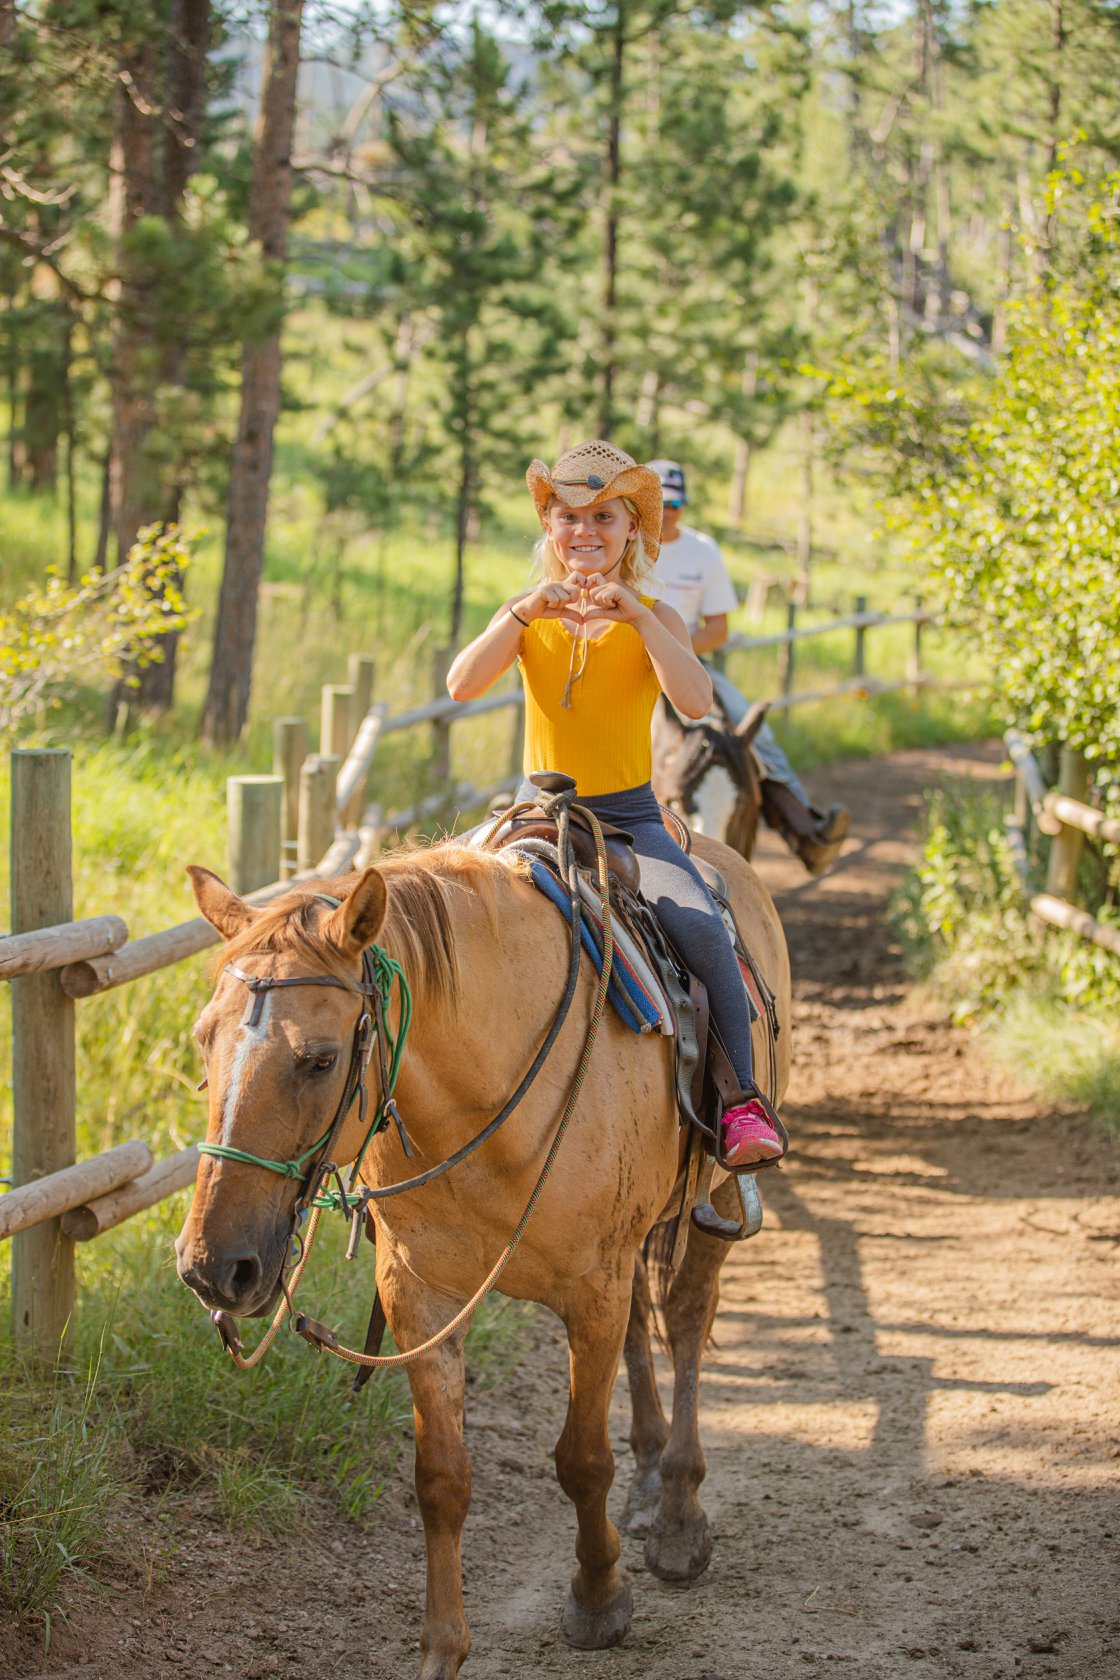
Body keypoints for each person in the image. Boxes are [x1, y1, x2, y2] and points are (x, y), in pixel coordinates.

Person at [447, 439, 783, 1168]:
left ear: (633, 529)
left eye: (604, 516)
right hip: (534, 810)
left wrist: (639, 619)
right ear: (548, 527)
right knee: (441, 910)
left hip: (627, 818)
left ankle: (741, 1101)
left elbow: (695, 702)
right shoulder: (524, 615)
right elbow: (461, 685)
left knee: (701, 926)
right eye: (568, 516)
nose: (585, 531)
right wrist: (521, 614)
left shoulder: (656, 615)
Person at [646, 459, 850, 875]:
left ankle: (805, 830)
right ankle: (536, 808)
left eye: (675, 504)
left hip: (689, 661)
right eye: (660, 504)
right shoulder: (622, 544)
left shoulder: (702, 551)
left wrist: (672, 652)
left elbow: (717, 628)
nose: (667, 512)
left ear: (685, 506)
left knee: (750, 731)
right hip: (622, 662)